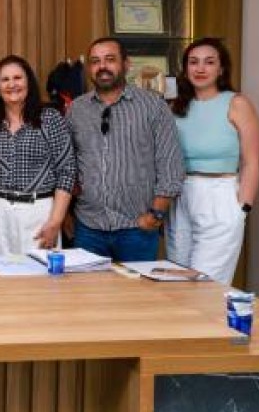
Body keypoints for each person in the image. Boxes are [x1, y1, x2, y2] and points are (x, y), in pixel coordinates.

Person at [67, 37, 184, 261]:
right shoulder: (77, 109)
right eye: (95, 61)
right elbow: (67, 165)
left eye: (110, 59)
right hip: (88, 227)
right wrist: (66, 214)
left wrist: (156, 213)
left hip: (137, 227)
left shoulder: (153, 106)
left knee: (137, 285)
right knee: (86, 285)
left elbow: (170, 164)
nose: (102, 66)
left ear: (126, 64)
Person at [167, 38, 259, 284]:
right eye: (193, 62)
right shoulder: (175, 107)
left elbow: (252, 162)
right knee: (177, 282)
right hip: (180, 196)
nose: (200, 68)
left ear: (221, 69)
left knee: (205, 283)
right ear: (185, 68)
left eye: (209, 62)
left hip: (219, 194)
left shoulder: (237, 103)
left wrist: (243, 208)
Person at [0, 55, 76, 255]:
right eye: (5, 79)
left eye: (18, 78)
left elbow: (67, 171)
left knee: (39, 273)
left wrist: (56, 221)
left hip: (39, 214)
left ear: (29, 82)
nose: (12, 84)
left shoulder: (50, 118)